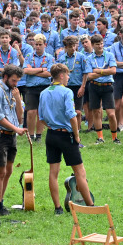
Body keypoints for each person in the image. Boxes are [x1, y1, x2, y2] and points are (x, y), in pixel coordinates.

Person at [39, 64, 94, 214]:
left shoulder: (44, 92)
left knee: (53, 172)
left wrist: (51, 126)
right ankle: (90, 206)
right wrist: (76, 135)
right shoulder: (67, 92)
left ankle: (57, 208)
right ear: (61, 75)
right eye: (68, 75)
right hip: (66, 136)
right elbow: (72, 116)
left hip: (51, 135)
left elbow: (41, 118)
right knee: (79, 172)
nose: (69, 77)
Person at [0, 64, 28, 216]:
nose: (16, 84)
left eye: (17, 81)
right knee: (0, 170)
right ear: (5, 77)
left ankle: (1, 200)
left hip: (11, 135)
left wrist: (17, 98)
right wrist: (16, 129)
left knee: (8, 170)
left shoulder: (13, 91)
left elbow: (20, 116)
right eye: (14, 81)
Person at [86, 34, 119, 144]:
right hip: (94, 86)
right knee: (96, 112)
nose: (100, 46)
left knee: (111, 114)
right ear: (93, 45)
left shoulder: (109, 55)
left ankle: (115, 137)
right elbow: (89, 76)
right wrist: (105, 71)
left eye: (101, 44)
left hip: (107, 86)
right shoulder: (89, 58)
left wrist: (97, 71)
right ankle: (100, 137)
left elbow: (113, 71)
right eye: (97, 44)